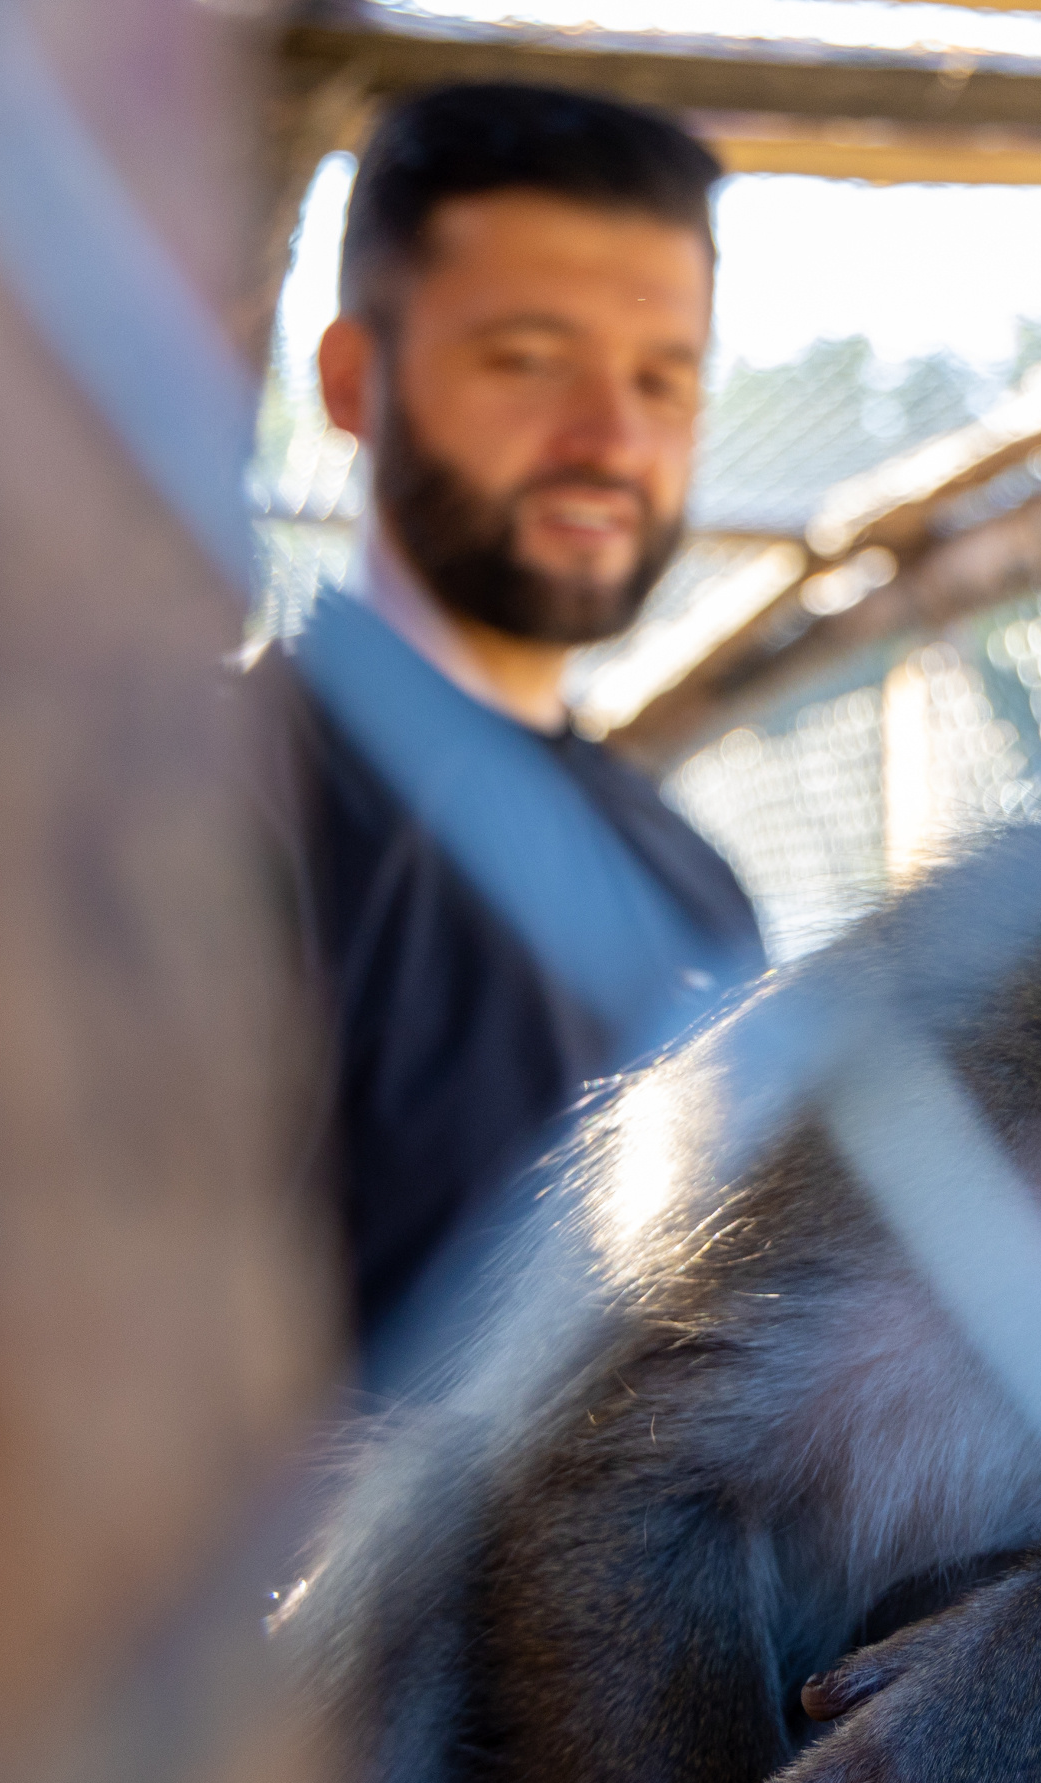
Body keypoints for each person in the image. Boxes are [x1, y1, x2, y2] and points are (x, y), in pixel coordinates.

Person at [274, 84, 766, 1374]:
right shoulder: (226, 789)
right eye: (529, 360)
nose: (610, 439)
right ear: (350, 381)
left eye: (663, 378)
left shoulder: (699, 884)